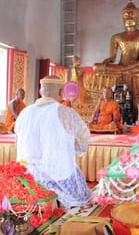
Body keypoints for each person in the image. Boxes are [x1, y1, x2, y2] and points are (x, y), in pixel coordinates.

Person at [15, 75, 91, 209]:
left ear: (40, 92)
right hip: (59, 174)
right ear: (61, 92)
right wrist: (73, 147)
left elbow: (18, 140)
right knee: (78, 192)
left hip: (30, 175)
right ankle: (60, 202)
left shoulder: (24, 113)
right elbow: (83, 136)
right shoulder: (65, 112)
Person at [93, 0, 139, 74]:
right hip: (122, 65)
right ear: (122, 18)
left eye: (132, 15)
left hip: (137, 65)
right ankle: (126, 70)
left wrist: (135, 64)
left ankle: (124, 71)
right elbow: (113, 57)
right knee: (95, 66)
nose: (129, 18)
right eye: (126, 16)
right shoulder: (116, 37)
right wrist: (108, 60)